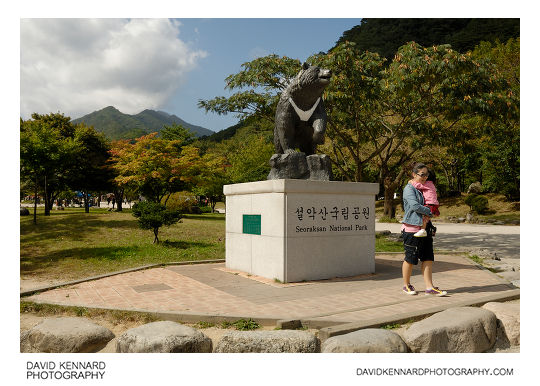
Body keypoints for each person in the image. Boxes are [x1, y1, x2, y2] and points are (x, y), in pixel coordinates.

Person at [401, 163, 447, 296]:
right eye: (422, 174)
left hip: (425, 228)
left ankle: (429, 287)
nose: (425, 177)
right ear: (414, 174)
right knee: (410, 258)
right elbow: (415, 206)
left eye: (426, 175)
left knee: (428, 257)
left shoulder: (423, 188)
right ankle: (406, 285)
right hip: (411, 229)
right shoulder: (409, 189)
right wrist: (430, 211)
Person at [410, 169, 440, 237]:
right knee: (427, 217)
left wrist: (412, 182)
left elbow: (418, 186)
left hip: (430, 203)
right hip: (433, 203)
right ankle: (431, 228)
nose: (424, 177)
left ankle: (423, 230)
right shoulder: (431, 183)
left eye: (425, 175)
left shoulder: (427, 183)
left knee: (424, 217)